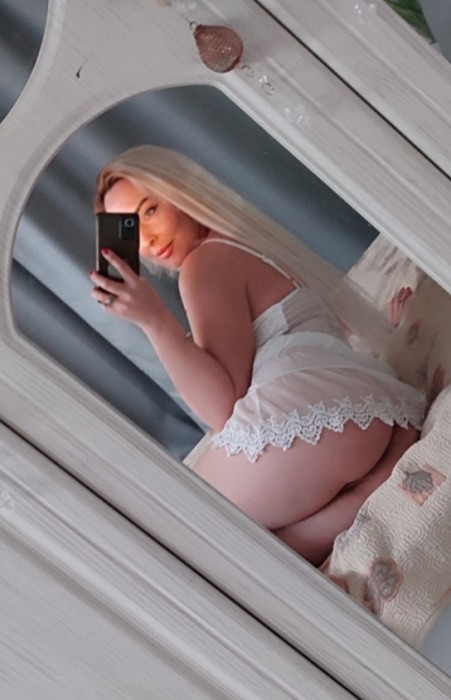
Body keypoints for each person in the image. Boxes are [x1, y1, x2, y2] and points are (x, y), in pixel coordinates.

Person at [90, 145, 425, 566]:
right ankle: (373, 485)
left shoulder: (203, 266)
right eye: (130, 229)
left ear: (179, 191)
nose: (147, 239)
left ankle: (368, 488)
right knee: (259, 551)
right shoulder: (243, 239)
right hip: (362, 410)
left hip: (315, 418)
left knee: (185, 532)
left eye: (150, 210)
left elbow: (222, 407)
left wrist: (155, 321)